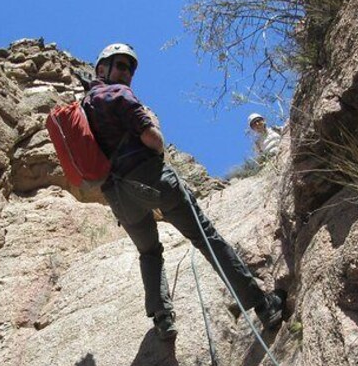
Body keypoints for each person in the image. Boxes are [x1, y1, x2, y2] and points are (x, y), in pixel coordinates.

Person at [83, 43, 284, 340]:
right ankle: (262, 305)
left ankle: (163, 318)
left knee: (149, 251)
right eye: (121, 66)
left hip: (118, 195)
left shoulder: (84, 106)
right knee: (205, 237)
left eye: (129, 68)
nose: (127, 73)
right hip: (151, 178)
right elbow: (152, 138)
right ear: (103, 68)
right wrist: (158, 142)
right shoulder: (117, 94)